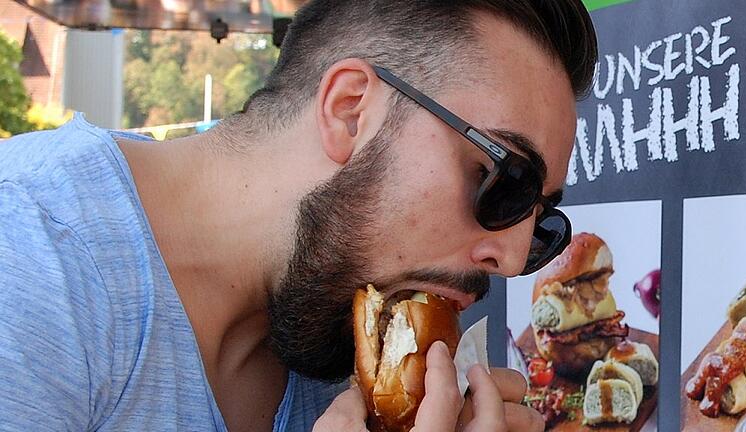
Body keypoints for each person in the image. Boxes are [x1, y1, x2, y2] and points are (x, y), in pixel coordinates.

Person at [0, 0, 597, 430]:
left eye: (541, 220)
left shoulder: (335, 332)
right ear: (350, 110)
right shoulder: (31, 258)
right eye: (506, 184)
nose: (514, 257)